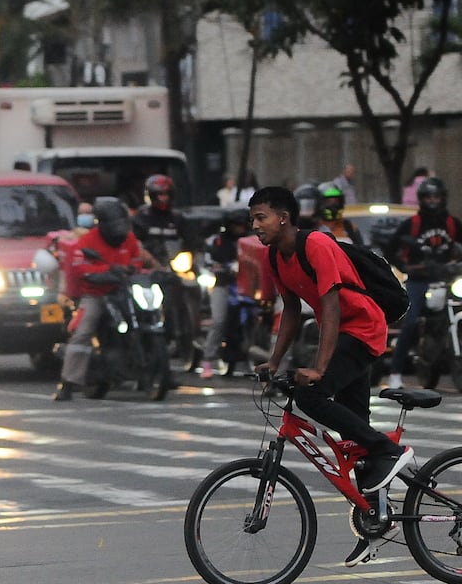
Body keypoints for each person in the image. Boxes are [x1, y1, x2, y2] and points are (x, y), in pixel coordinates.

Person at [248, 185, 412, 567]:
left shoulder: (317, 245)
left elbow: (331, 305)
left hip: (363, 328)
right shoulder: (275, 257)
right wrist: (274, 361)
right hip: (341, 335)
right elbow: (291, 310)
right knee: (356, 438)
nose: (255, 226)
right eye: (252, 219)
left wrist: (320, 368)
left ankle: (391, 450)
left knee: (311, 396)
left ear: (284, 217)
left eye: (261, 217)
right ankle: (376, 522)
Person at [54, 197, 153, 401]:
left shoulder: (130, 239)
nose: (118, 228)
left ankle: (154, 367)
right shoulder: (87, 241)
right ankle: (68, 383)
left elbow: (138, 260)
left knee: (151, 315)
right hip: (96, 293)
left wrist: (147, 271)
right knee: (83, 332)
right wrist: (107, 271)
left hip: (125, 289)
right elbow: (81, 268)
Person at [385, 177, 462, 389]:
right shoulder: (412, 224)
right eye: (428, 197)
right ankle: (395, 373)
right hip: (419, 281)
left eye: (436, 196)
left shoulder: (452, 223)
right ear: (421, 199)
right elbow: (391, 250)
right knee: (410, 322)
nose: (433, 201)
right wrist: (405, 267)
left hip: (448, 280)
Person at [133, 174, 197, 362]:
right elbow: (135, 244)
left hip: (174, 265)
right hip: (150, 269)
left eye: (166, 194)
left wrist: (195, 252)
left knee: (198, 285)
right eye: (159, 195)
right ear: (151, 196)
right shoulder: (141, 218)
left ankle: (194, 327)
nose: (163, 198)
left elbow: (191, 240)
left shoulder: (178, 218)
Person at [199, 208, 252, 379]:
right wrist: (224, 269)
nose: (240, 228)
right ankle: (207, 360)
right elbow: (208, 262)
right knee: (219, 321)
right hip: (224, 286)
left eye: (243, 225)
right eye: (236, 225)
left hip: (248, 288)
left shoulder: (253, 240)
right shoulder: (216, 241)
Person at [316, 181, 364, 246]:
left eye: (336, 202)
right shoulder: (313, 227)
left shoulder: (350, 228)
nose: (333, 206)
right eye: (328, 202)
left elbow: (360, 252)